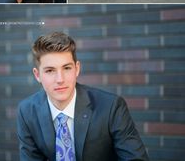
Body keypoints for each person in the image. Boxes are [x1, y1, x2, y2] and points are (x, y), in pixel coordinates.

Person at [17, 31, 149, 161]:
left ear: (77, 69)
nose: (60, 79)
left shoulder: (111, 107)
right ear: (37, 75)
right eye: (50, 70)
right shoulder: (27, 111)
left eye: (67, 68)